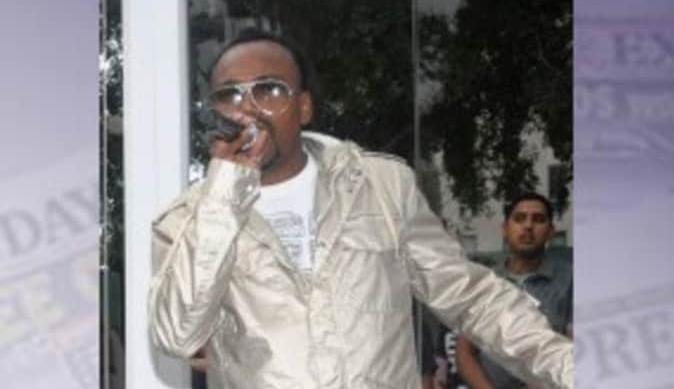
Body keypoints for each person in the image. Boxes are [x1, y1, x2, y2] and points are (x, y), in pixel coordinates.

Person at [148, 28, 573, 389]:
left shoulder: (380, 187)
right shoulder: (190, 219)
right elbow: (176, 335)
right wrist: (225, 195)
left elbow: (472, 297)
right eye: (230, 95)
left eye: (269, 89)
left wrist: (567, 365)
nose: (249, 109)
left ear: (304, 107)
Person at [455, 193, 573, 389]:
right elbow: (464, 353)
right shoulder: (486, 284)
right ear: (505, 229)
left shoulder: (570, 281)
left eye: (538, 219)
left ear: (551, 231)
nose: (528, 226)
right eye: (519, 218)